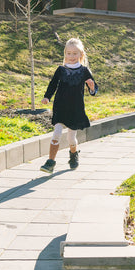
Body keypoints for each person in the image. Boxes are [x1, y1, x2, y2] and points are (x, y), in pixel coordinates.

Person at [40, 37, 97, 173]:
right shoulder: (60, 70)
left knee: (71, 138)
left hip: (75, 109)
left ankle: (73, 154)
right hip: (60, 107)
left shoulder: (84, 71)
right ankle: (50, 162)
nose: (71, 56)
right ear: (65, 54)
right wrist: (47, 97)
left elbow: (93, 91)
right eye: (69, 53)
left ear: (81, 55)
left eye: (75, 53)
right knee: (56, 134)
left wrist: (92, 87)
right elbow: (53, 85)